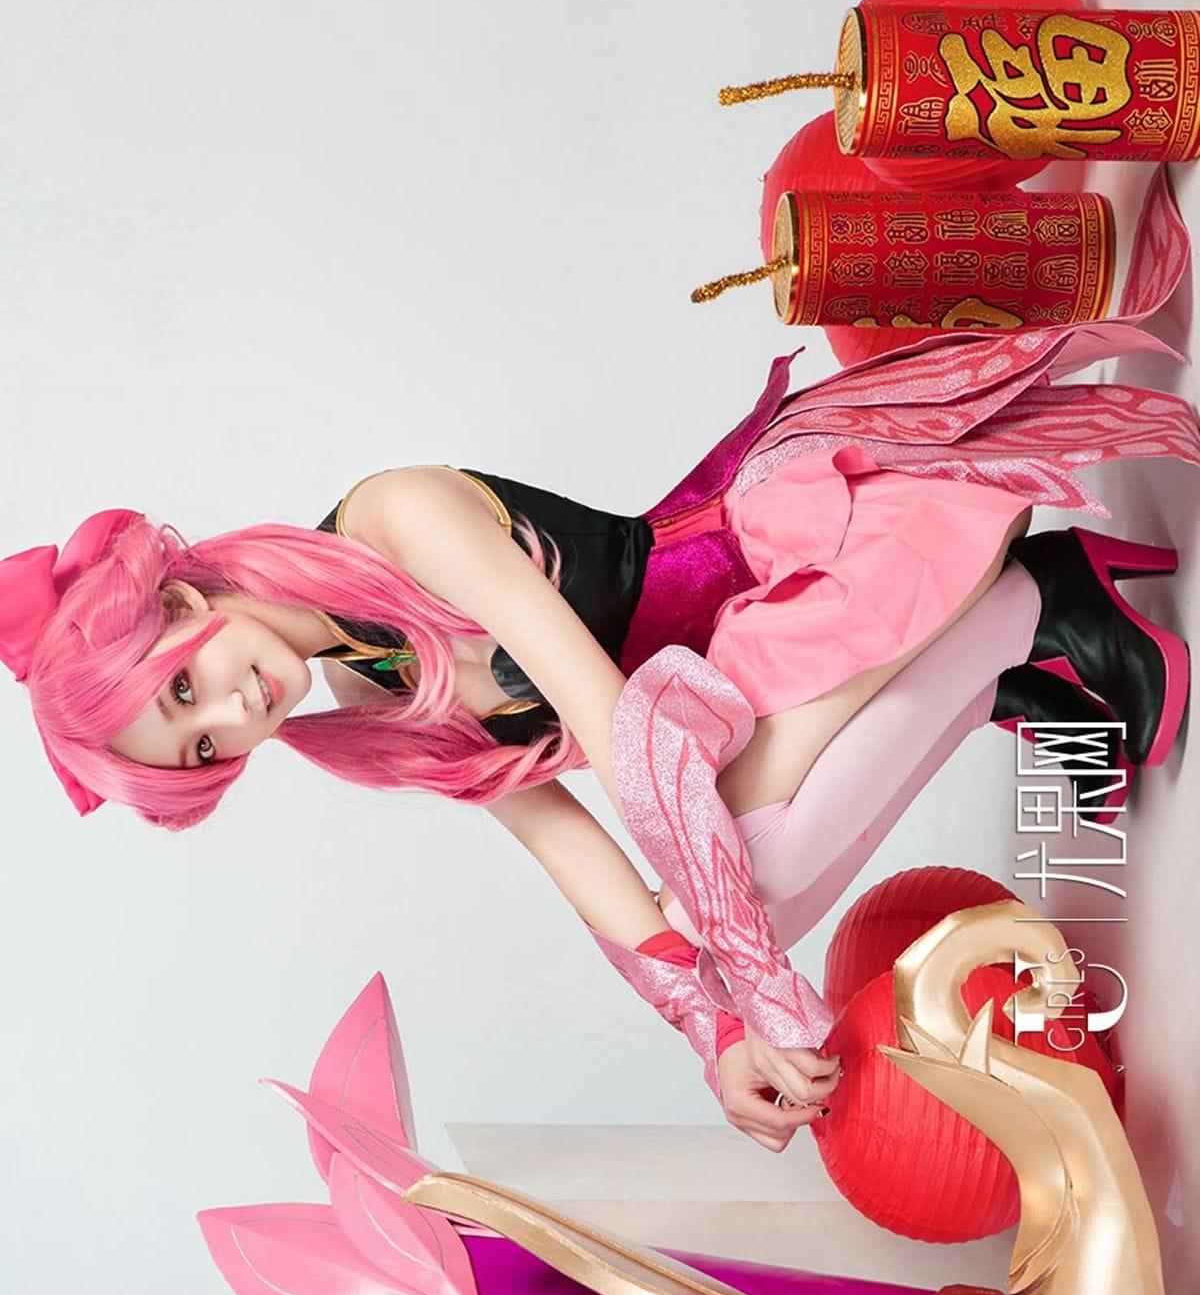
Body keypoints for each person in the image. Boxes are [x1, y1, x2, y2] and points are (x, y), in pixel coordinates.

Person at [4, 174, 1195, 1154]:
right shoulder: (378, 693)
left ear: (171, 598)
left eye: (182, 687)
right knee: (734, 898)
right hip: (739, 683)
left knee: (751, 878)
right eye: (204, 745)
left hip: (788, 547)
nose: (233, 716)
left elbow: (625, 734)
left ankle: (1038, 602)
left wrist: (764, 984)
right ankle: (1002, 661)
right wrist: (715, 1036)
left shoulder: (394, 521)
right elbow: (569, 847)